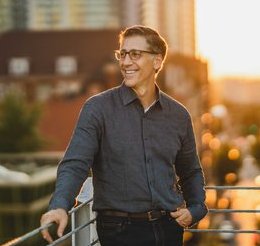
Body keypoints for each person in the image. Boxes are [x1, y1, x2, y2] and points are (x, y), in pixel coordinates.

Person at [40, 25, 208, 246]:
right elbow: (75, 163)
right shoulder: (97, 109)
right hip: (119, 232)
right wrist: (59, 205)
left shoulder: (179, 115)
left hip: (169, 229)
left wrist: (196, 209)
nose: (125, 62)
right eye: (122, 53)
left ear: (157, 61)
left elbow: (190, 170)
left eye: (135, 54)